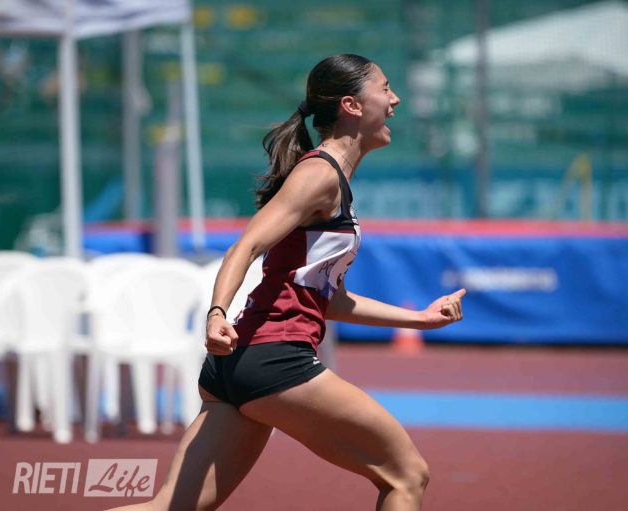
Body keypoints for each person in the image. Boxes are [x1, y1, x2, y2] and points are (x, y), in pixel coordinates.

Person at [109, 53, 465, 511]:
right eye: (385, 88)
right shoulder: (319, 174)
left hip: (238, 366)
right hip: (274, 359)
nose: (395, 99)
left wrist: (419, 319)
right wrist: (216, 313)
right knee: (407, 475)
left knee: (169, 509)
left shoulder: (331, 178)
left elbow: (325, 300)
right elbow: (245, 247)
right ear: (352, 105)